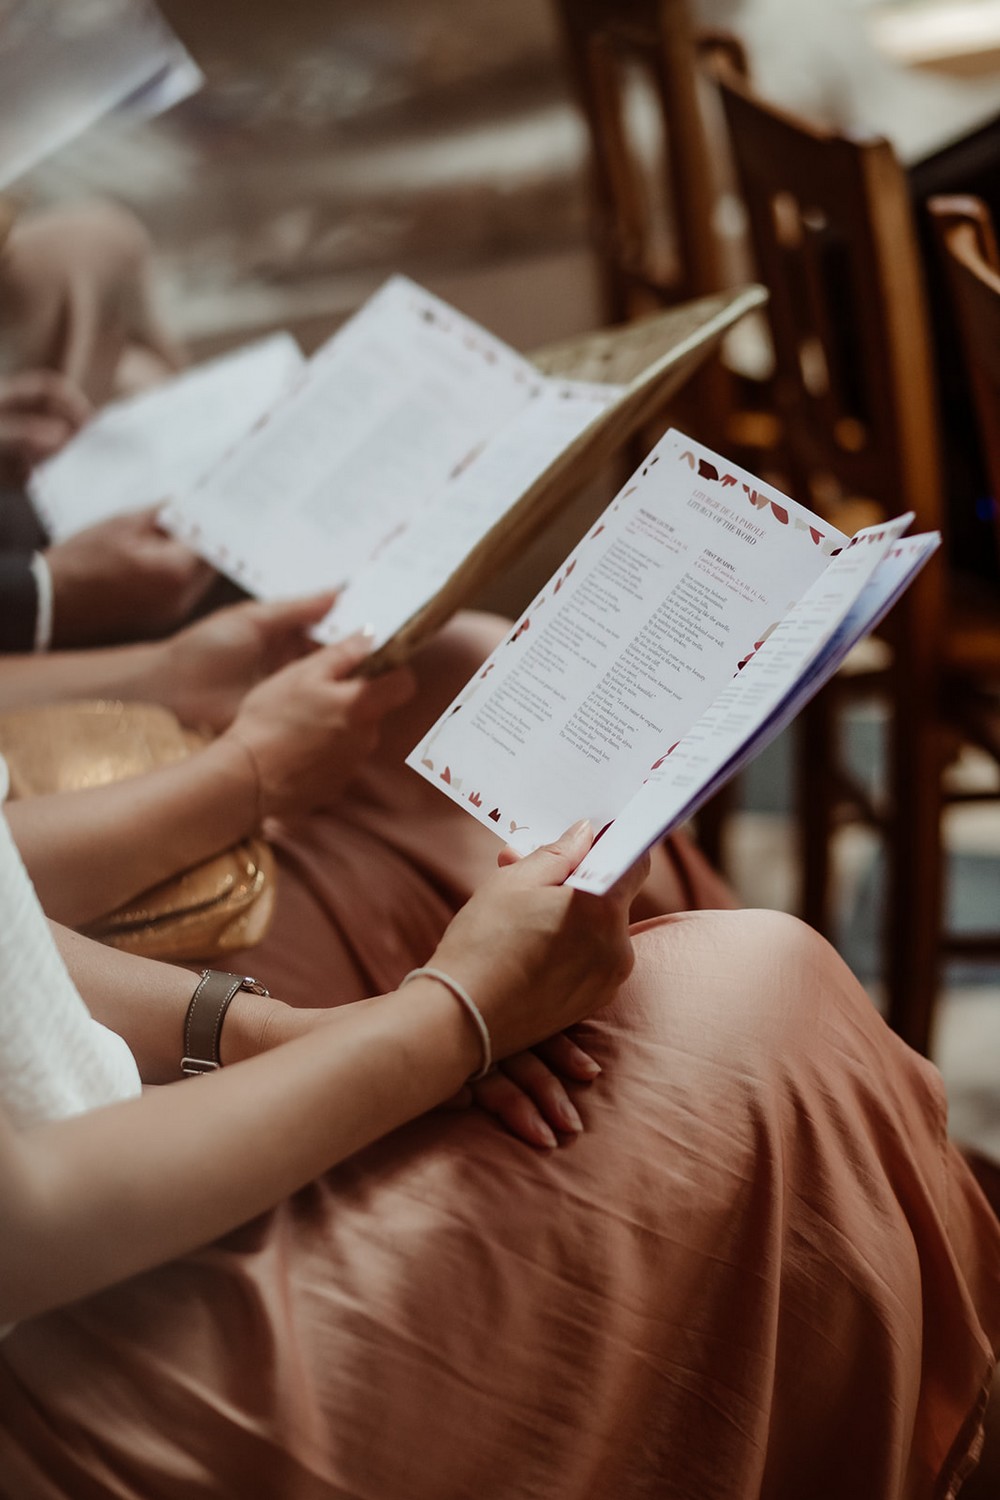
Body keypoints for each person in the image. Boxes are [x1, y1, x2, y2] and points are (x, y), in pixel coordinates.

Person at [0, 746, 997, 1497]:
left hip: (105, 1180)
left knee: (700, 1006)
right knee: (758, 1001)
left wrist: (305, 1033)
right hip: (59, 1364)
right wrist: (446, 1017)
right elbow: (25, 1224)